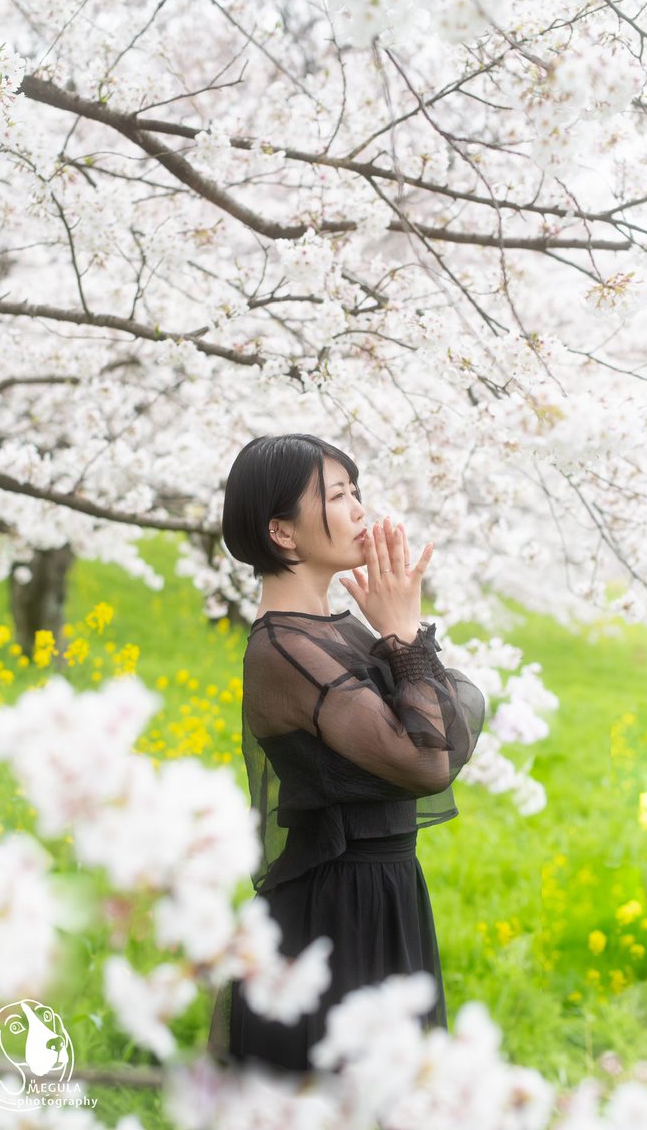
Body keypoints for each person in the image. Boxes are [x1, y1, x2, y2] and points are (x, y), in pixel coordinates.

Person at [207, 432, 485, 1073]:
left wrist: (404, 634)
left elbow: (458, 710)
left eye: (356, 491)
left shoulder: (338, 628)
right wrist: (401, 637)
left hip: (384, 892)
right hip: (335, 910)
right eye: (338, 495)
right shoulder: (283, 651)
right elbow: (428, 760)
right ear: (283, 532)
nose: (360, 509)